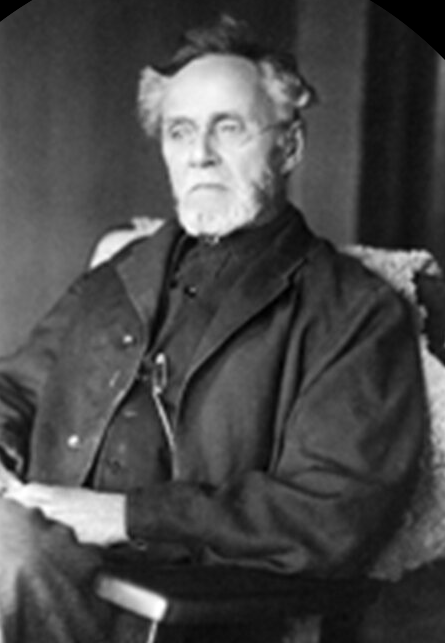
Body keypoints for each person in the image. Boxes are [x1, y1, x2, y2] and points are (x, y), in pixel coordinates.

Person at [0, 14, 427, 643]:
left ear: (290, 147)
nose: (199, 154)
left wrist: (130, 515)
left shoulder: (354, 312)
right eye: (180, 131)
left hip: (181, 601)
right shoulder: (123, 271)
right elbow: (17, 391)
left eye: (228, 128)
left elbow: (334, 511)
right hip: (41, 554)